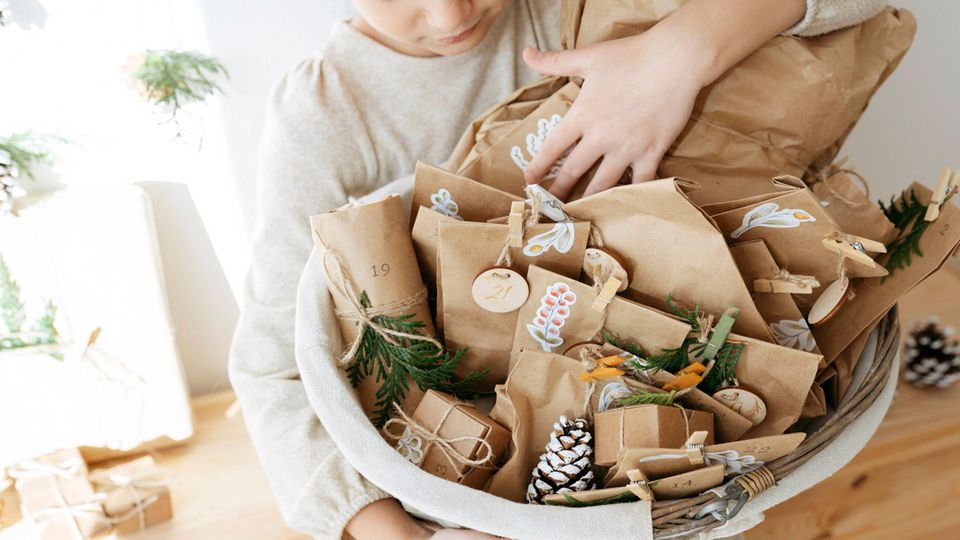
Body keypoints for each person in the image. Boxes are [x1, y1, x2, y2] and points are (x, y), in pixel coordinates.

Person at [229, 0, 886, 538]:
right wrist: (390, 531)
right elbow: (271, 367)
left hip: (676, 477)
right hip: (447, 495)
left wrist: (682, 50)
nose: (448, 11)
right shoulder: (323, 115)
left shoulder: (565, 13)